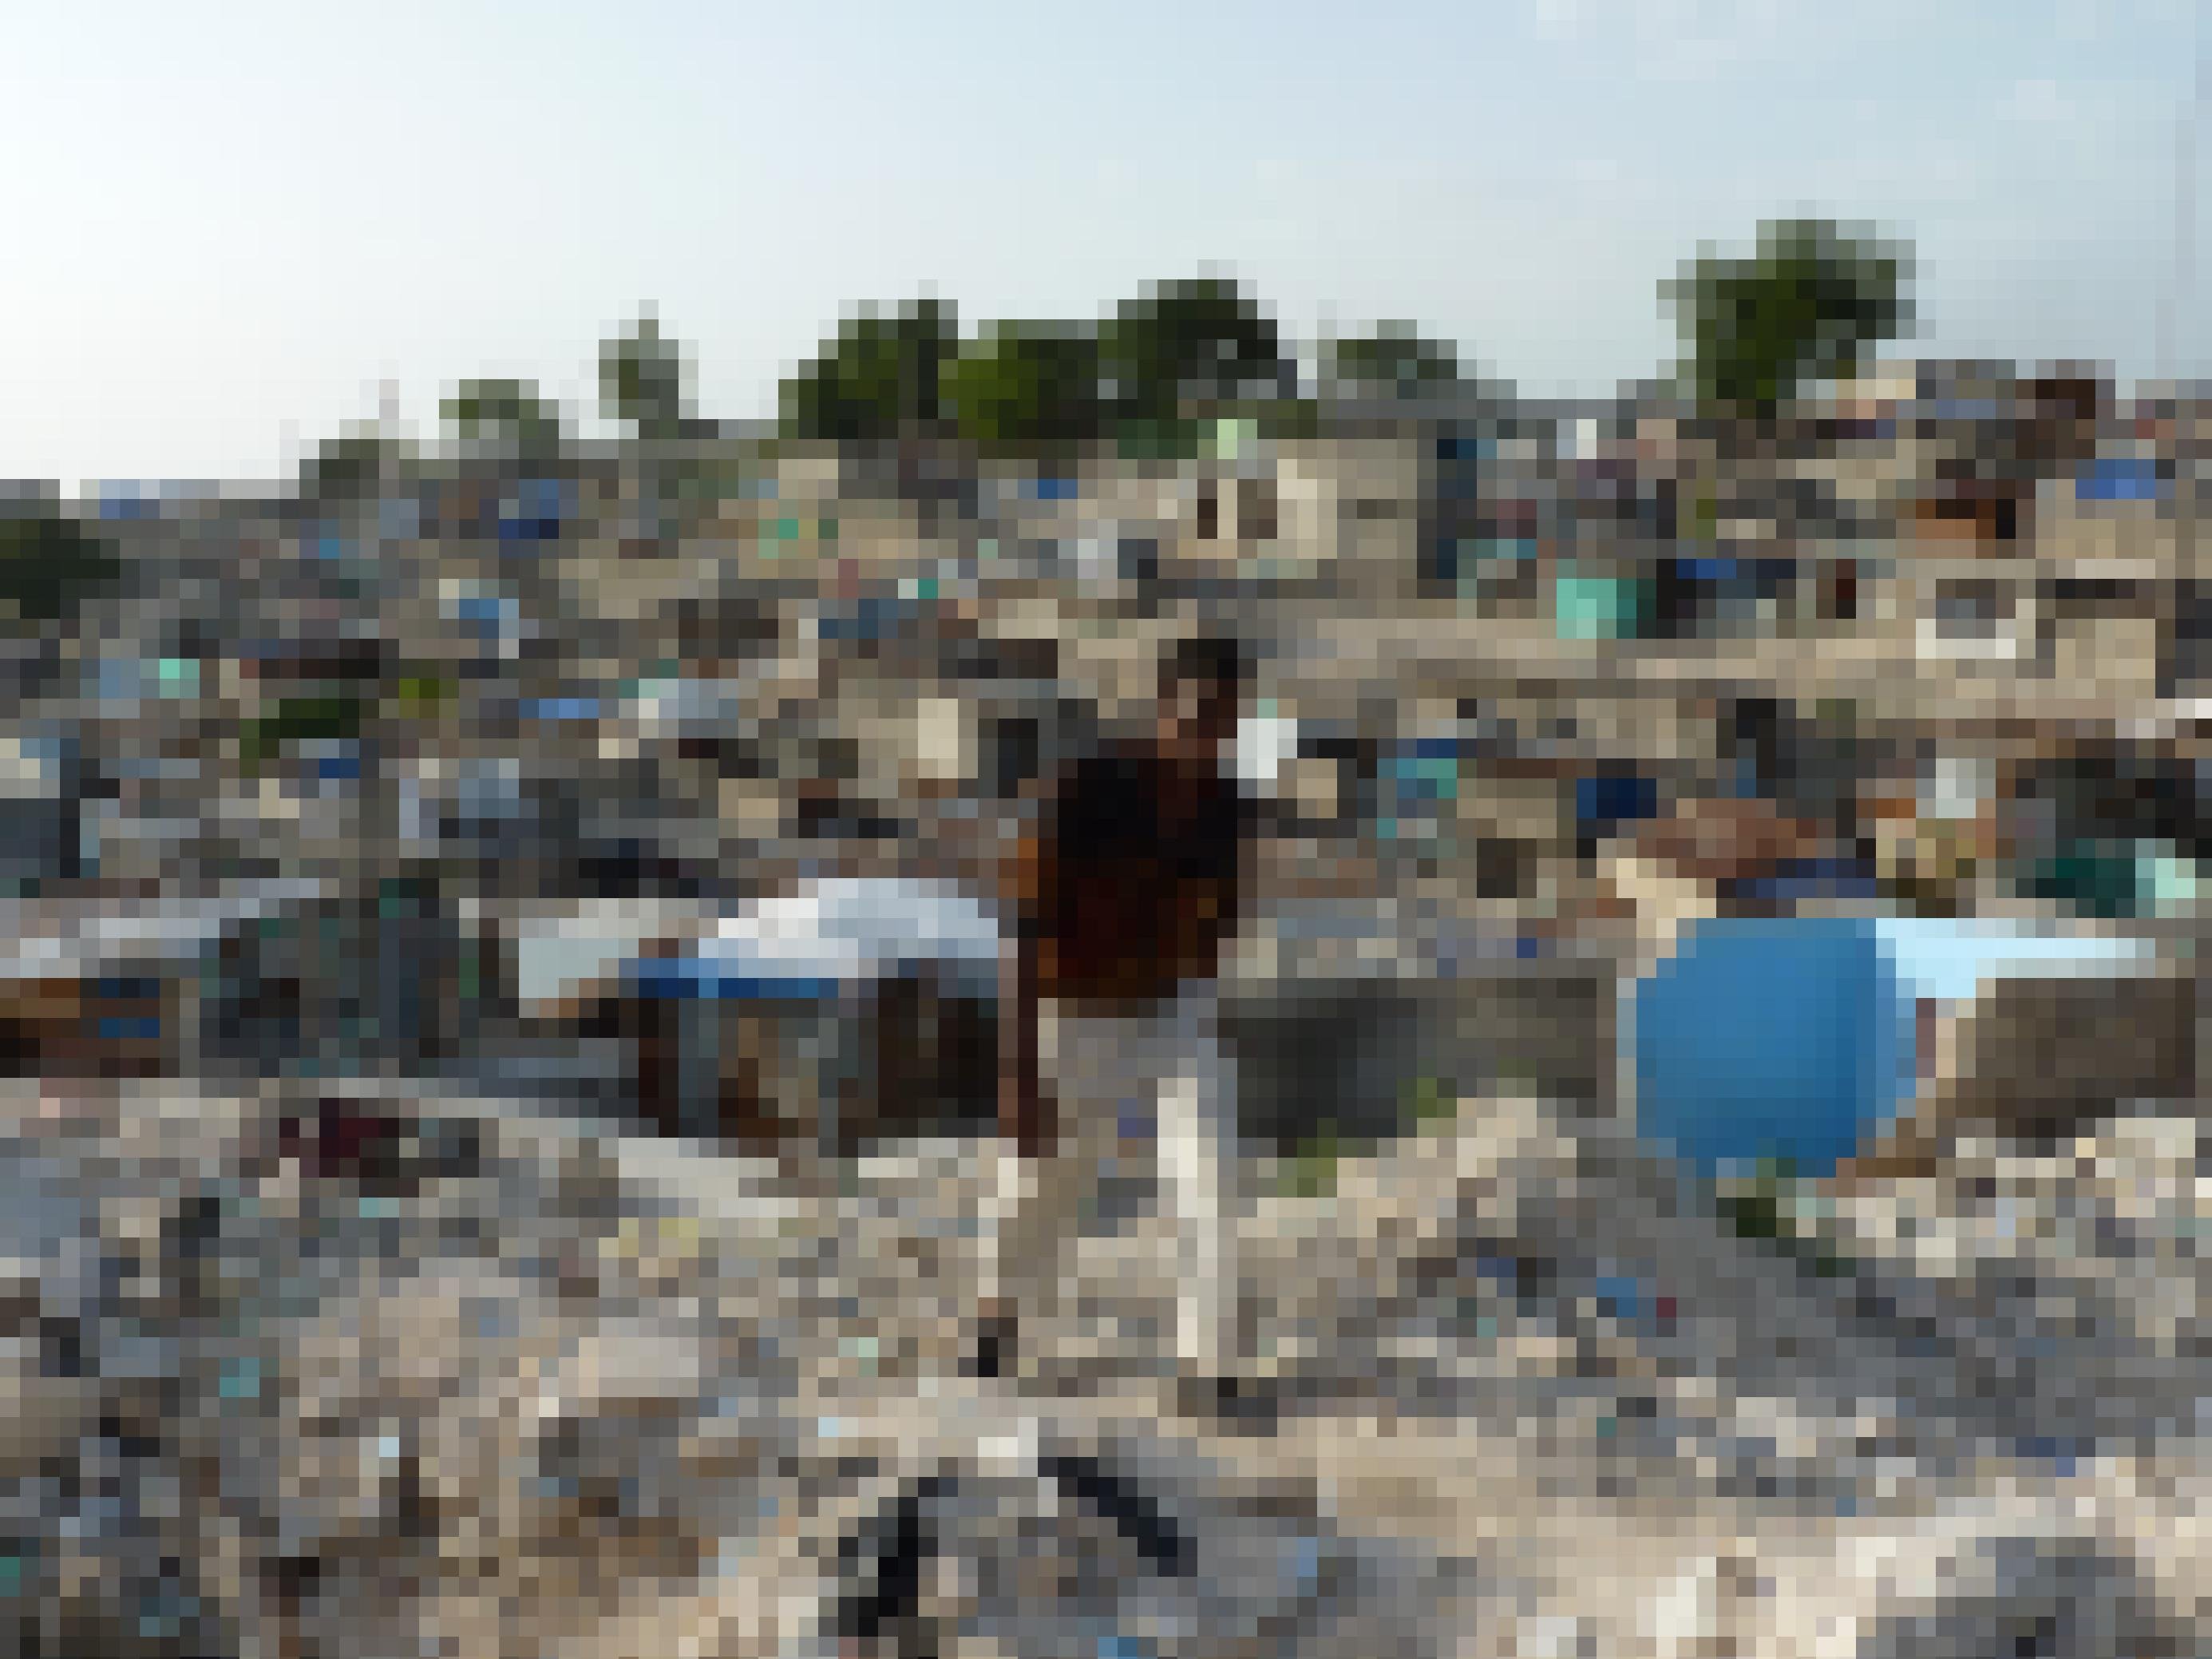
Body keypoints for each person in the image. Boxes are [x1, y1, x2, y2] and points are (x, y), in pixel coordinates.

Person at [976, 632, 1266, 1419]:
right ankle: (997, 1319)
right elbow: (1026, 930)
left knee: (1210, 1174)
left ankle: (1206, 1368)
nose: (1206, 736)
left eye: (1223, 721)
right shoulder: (1085, 792)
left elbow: (1218, 924)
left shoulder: (1226, 810)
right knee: (1040, 1186)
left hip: (1171, 1008)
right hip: (1074, 1008)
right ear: (1161, 709)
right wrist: (1017, 1072)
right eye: (1195, 716)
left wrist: (1210, 1017)